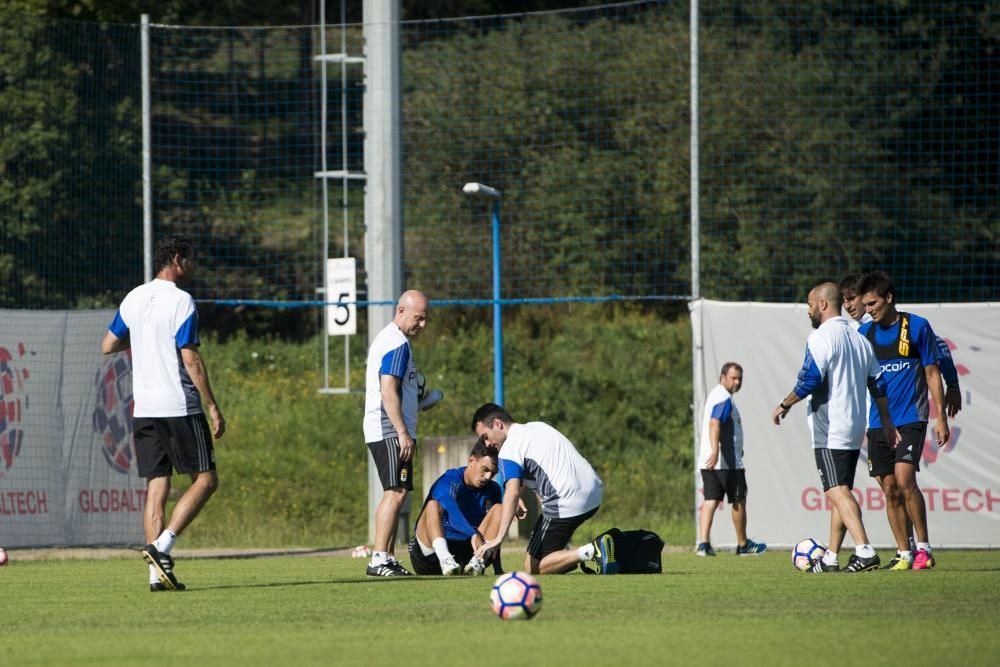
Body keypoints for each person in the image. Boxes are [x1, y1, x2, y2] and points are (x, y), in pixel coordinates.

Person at [101, 234, 225, 592]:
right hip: (178, 405)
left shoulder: (134, 298)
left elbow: (108, 344)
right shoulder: (182, 301)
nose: (193, 265)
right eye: (190, 259)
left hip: (145, 408)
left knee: (157, 487)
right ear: (176, 258)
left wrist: (140, 339)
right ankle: (162, 546)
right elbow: (191, 358)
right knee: (206, 480)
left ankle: (156, 577)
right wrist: (213, 406)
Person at [772, 281, 900, 573]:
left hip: (830, 427)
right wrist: (887, 421)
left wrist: (785, 404)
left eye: (809, 304)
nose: (808, 310)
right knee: (839, 493)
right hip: (854, 427)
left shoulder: (821, 337)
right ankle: (830, 557)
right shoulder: (859, 339)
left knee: (835, 491)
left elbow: (810, 379)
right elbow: (878, 383)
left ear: (822, 304)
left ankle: (865, 550)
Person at [857, 271, 950, 570]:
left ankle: (924, 549)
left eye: (872, 303)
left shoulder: (918, 327)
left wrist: (941, 418)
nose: (868, 309)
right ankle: (904, 553)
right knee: (888, 486)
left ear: (889, 298)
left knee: (905, 479)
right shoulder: (864, 335)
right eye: (865, 304)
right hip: (878, 422)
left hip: (911, 417)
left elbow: (933, 374)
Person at [470, 403, 610, 575]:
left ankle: (592, 550)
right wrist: (517, 496)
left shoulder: (509, 449)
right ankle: (566, 554)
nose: (487, 443)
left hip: (566, 502)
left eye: (485, 436)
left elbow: (511, 492)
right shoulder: (538, 426)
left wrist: (498, 539)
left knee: (532, 567)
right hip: (594, 491)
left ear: (498, 424)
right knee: (548, 553)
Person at [363, 290, 430, 576]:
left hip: (390, 427)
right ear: (401, 311)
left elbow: (398, 392)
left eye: (426, 319)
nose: (422, 325)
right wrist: (402, 432)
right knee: (396, 491)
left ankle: (387, 557)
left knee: (396, 491)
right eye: (418, 318)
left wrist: (424, 402)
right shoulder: (396, 343)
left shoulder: (392, 340)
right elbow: (388, 389)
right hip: (390, 429)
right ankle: (379, 558)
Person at [840, 273, 961, 417]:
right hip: (873, 417)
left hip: (905, 415)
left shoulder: (891, 319)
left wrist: (952, 385)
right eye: (844, 301)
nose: (847, 306)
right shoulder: (855, 330)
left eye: (852, 299)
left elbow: (939, 347)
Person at [697, 362, 766, 557]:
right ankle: (743, 544)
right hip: (726, 462)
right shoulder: (723, 397)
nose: (737, 382)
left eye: (740, 379)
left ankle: (703, 544)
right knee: (738, 499)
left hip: (708, 461)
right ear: (722, 377)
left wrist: (713, 452)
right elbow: (714, 422)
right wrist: (716, 450)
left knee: (710, 500)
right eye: (733, 378)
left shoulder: (714, 395)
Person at [408, 440, 507, 576]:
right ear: (471, 460)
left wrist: (498, 568)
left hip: (468, 552)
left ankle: (477, 563)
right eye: (485, 470)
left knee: (500, 509)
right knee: (432, 505)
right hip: (432, 555)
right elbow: (450, 509)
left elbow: (496, 528)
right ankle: (446, 560)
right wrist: (472, 533)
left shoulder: (493, 489)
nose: (488, 477)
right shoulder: (449, 480)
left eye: (493, 473)